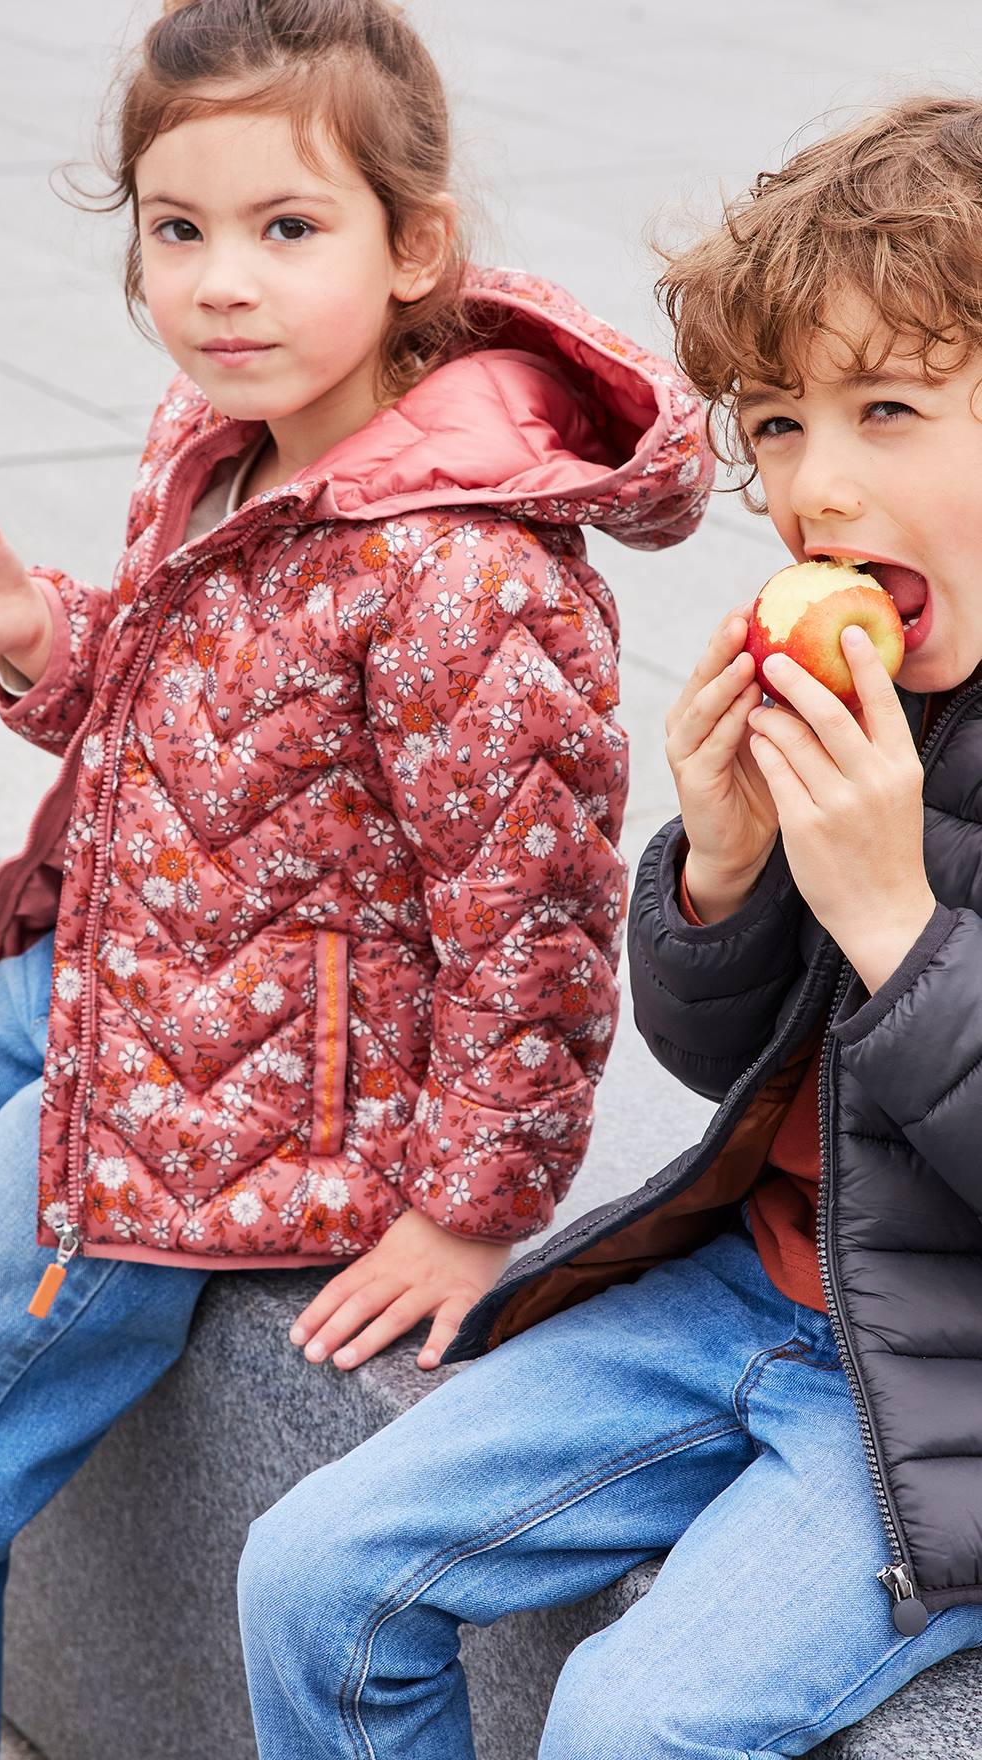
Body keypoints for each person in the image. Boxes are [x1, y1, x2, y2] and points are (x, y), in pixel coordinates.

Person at [0, 2, 708, 1756]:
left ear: (412, 245)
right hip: (95, 978)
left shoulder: (467, 577)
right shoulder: (218, 441)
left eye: (288, 230)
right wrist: (25, 629)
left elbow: (532, 926)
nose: (222, 282)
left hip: (231, 1109)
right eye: (177, 228)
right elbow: (190, 731)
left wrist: (472, 1198)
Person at [238, 92, 982, 1759]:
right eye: (780, 425)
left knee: (630, 1724)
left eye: (890, 407)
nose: (817, 485)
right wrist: (720, 873)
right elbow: (721, 1053)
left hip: (948, 1397)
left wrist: (897, 926)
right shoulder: (887, 697)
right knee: (309, 1575)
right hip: (756, 1294)